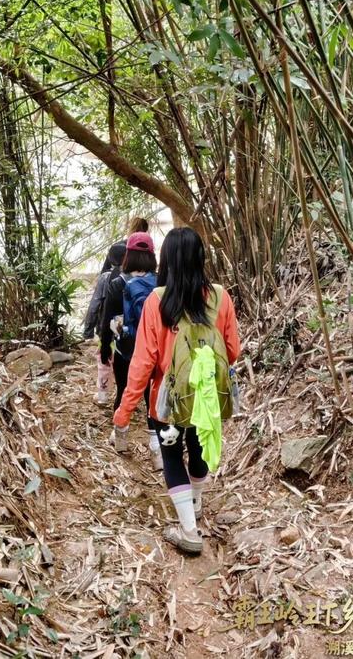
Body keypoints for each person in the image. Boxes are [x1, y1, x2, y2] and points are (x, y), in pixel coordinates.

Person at [112, 228, 240, 555]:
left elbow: (142, 363)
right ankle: (195, 504)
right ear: (201, 258)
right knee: (198, 449)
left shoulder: (157, 301)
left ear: (165, 259)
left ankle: (188, 529)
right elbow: (233, 351)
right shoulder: (221, 297)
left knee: (172, 455)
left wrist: (124, 413)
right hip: (207, 395)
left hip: (166, 401)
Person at [100, 232, 162, 469]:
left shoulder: (118, 284)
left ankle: (120, 439)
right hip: (155, 350)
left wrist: (106, 346)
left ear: (128, 255)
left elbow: (109, 320)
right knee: (152, 398)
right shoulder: (161, 283)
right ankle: (156, 451)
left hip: (127, 349)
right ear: (151, 255)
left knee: (124, 392)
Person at [83, 242, 126, 406]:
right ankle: (126, 397)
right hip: (127, 328)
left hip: (107, 327)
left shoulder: (105, 277)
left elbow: (95, 305)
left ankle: (102, 395)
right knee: (125, 361)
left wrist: (88, 330)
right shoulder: (134, 277)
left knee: (104, 361)